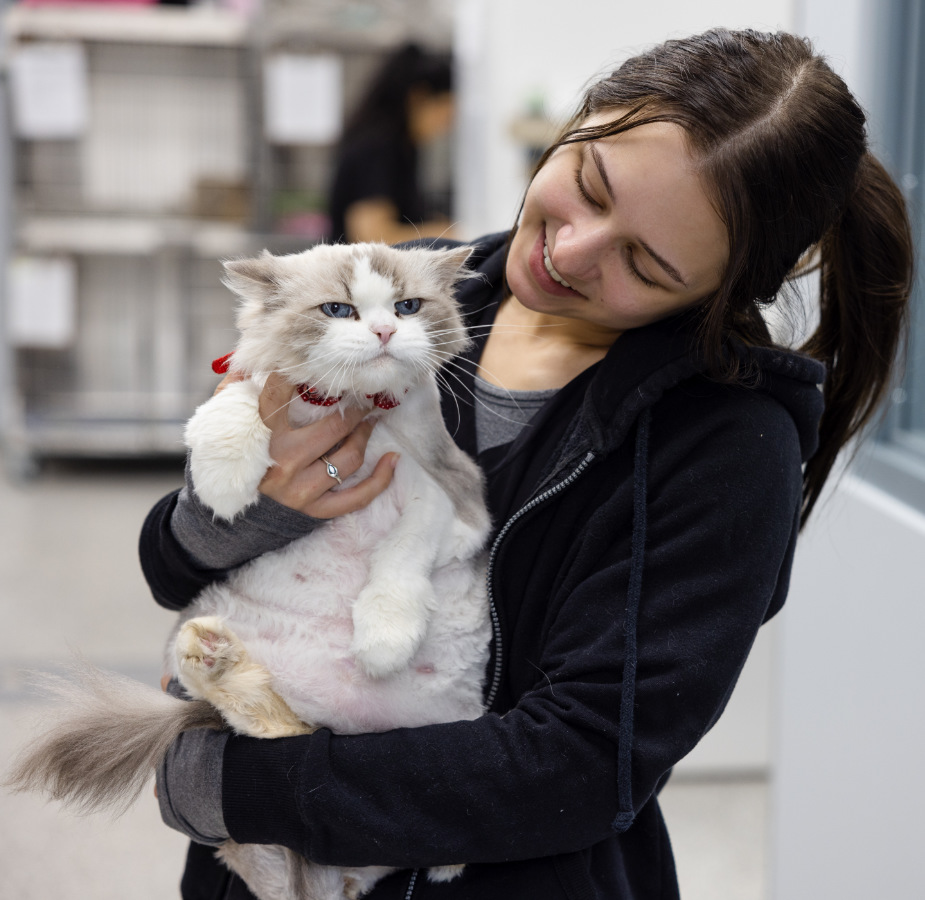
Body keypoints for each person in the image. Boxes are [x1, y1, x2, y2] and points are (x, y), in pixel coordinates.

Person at [143, 28, 913, 900]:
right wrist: (252, 510)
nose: (570, 251)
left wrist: (240, 789)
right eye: (587, 185)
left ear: (720, 290)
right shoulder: (416, 297)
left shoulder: (725, 447)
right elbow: (171, 564)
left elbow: (581, 765)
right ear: (583, 116)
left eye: (644, 263)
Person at [327, 42, 456, 245]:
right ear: (418, 97)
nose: (447, 125)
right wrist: (446, 234)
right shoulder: (376, 148)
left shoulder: (403, 148)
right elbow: (371, 236)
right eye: (445, 113)